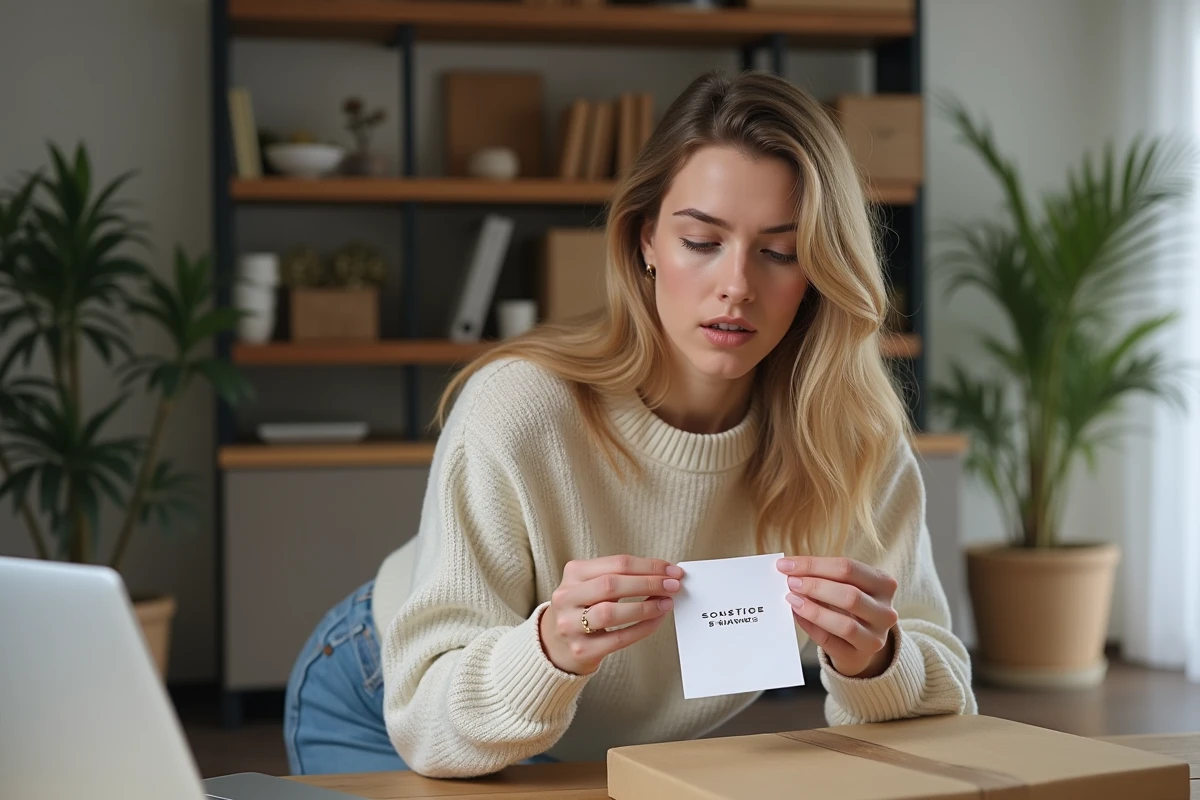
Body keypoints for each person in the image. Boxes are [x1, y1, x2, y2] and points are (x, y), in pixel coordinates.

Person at [283, 68, 977, 779]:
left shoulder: (851, 437)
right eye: (701, 241)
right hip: (393, 695)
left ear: (820, 270)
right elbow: (428, 723)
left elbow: (948, 704)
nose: (736, 284)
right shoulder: (519, 407)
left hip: (603, 743)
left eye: (780, 251)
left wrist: (881, 660)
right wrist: (550, 645)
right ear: (646, 240)